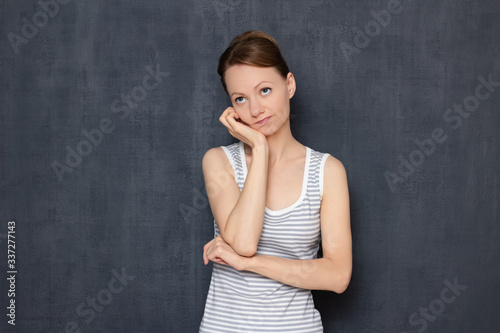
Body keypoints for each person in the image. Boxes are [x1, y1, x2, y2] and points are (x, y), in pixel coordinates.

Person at [199, 30, 352, 332]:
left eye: (265, 90)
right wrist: (259, 147)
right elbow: (243, 242)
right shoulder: (218, 162)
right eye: (240, 99)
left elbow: (337, 276)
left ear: (289, 84)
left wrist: (252, 264)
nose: (255, 110)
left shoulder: (328, 171)